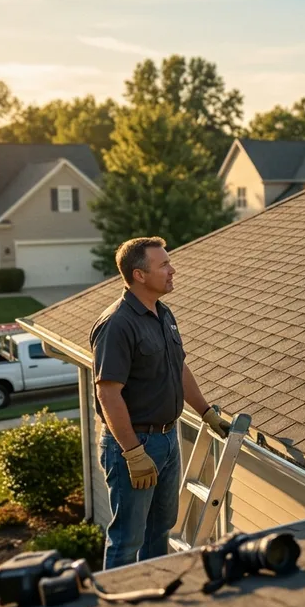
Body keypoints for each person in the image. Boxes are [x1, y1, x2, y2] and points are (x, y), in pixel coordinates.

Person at [89, 236, 232, 569]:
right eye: (164, 265)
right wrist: (132, 452)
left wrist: (207, 413)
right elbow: (107, 392)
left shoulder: (162, 313)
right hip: (134, 444)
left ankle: (154, 593)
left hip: (167, 439)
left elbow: (178, 367)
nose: (172, 270)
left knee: (159, 530)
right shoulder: (117, 324)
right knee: (128, 539)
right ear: (139, 275)